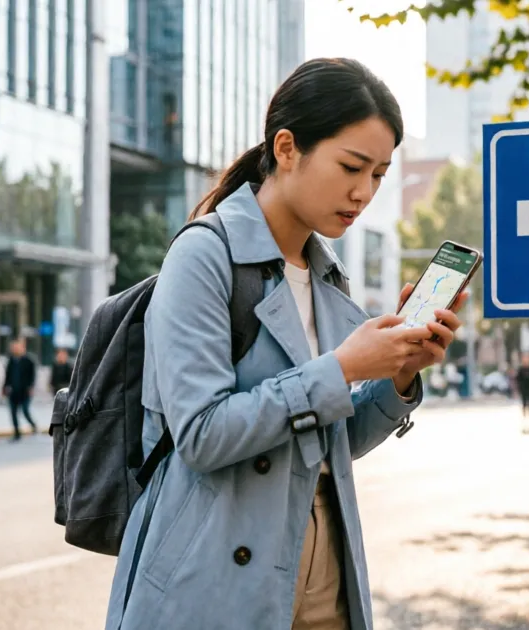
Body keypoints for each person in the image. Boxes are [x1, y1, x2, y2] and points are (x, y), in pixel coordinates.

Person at [104, 58, 467, 630]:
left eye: (378, 174)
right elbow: (201, 434)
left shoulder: (327, 276)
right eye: (351, 166)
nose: (363, 192)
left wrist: (398, 376)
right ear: (287, 148)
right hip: (213, 568)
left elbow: (328, 442)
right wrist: (342, 369)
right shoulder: (205, 255)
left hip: (323, 562)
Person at [3, 338, 38, 440]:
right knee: (13, 412)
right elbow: (7, 375)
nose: (15, 349)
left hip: (25, 391)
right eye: (13, 347)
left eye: (17, 347)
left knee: (25, 410)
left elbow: (33, 376)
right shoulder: (11, 360)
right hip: (13, 391)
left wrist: (31, 387)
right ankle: (17, 432)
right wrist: (5, 386)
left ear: (23, 347)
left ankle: (33, 424)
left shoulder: (29, 360)